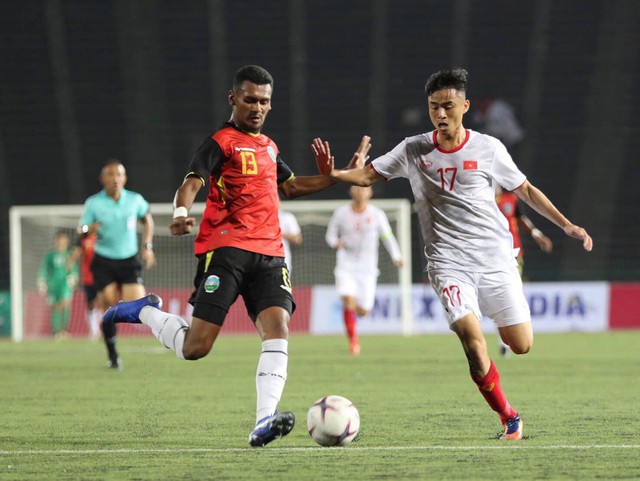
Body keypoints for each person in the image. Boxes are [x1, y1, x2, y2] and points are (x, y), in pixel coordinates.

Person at [312, 68, 593, 440]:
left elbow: (525, 190)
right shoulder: (413, 149)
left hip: (495, 259)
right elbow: (366, 176)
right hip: (448, 264)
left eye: (447, 106)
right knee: (473, 344)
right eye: (433, 107)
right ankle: (509, 417)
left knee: (520, 345)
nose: (440, 114)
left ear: (464, 106)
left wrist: (566, 224)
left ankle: (498, 330)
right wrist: (333, 173)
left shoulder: (488, 148)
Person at [102, 65, 362, 447]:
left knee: (278, 330)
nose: (257, 107)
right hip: (226, 251)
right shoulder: (220, 142)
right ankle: (143, 309)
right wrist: (179, 214)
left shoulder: (270, 147)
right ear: (233, 98)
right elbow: (192, 182)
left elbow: (290, 187)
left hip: (270, 255)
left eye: (264, 101)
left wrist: (335, 176)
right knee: (195, 348)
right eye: (250, 99)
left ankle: (263, 422)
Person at [79, 160, 156, 369]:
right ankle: (113, 357)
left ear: (124, 178)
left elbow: (147, 219)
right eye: (110, 175)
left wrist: (147, 246)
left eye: (119, 174)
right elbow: (82, 228)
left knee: (141, 305)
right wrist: (88, 229)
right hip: (103, 261)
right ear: (102, 179)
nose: (115, 179)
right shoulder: (93, 203)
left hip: (128, 260)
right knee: (109, 309)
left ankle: (170, 333)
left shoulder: (135, 200)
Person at [325, 185, 403, 355]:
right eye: (356, 189)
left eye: (364, 189)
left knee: (363, 310)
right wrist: (335, 242)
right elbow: (330, 235)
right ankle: (353, 341)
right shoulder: (341, 213)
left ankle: (355, 319)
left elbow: (387, 236)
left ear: (370, 192)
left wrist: (396, 255)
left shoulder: (376, 214)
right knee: (347, 299)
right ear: (350, 191)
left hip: (367, 268)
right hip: (346, 264)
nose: (360, 192)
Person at [495, 183, 553, 356]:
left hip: (513, 254)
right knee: (498, 298)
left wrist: (536, 234)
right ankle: (506, 340)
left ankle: (508, 342)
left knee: (510, 294)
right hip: (490, 256)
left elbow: (520, 219)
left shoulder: (510, 199)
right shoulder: (480, 202)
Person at [37, 231, 79, 339]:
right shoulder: (50, 255)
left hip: (65, 283)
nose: (62, 242)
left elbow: (74, 268)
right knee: (55, 307)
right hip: (53, 284)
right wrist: (42, 280)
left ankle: (64, 330)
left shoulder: (70, 254)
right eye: (60, 240)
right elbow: (44, 268)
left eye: (64, 240)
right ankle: (56, 332)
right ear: (56, 241)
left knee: (66, 304)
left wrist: (73, 277)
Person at [67, 230, 102, 340]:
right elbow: (75, 254)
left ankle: (103, 328)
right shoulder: (83, 240)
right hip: (88, 277)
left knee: (102, 302)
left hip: (103, 275)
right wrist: (69, 265)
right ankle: (94, 330)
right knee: (90, 303)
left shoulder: (103, 239)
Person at [278, 210, 302, 275]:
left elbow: (297, 239)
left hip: (282, 260)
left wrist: (278, 233)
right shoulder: (259, 217)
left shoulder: (286, 216)